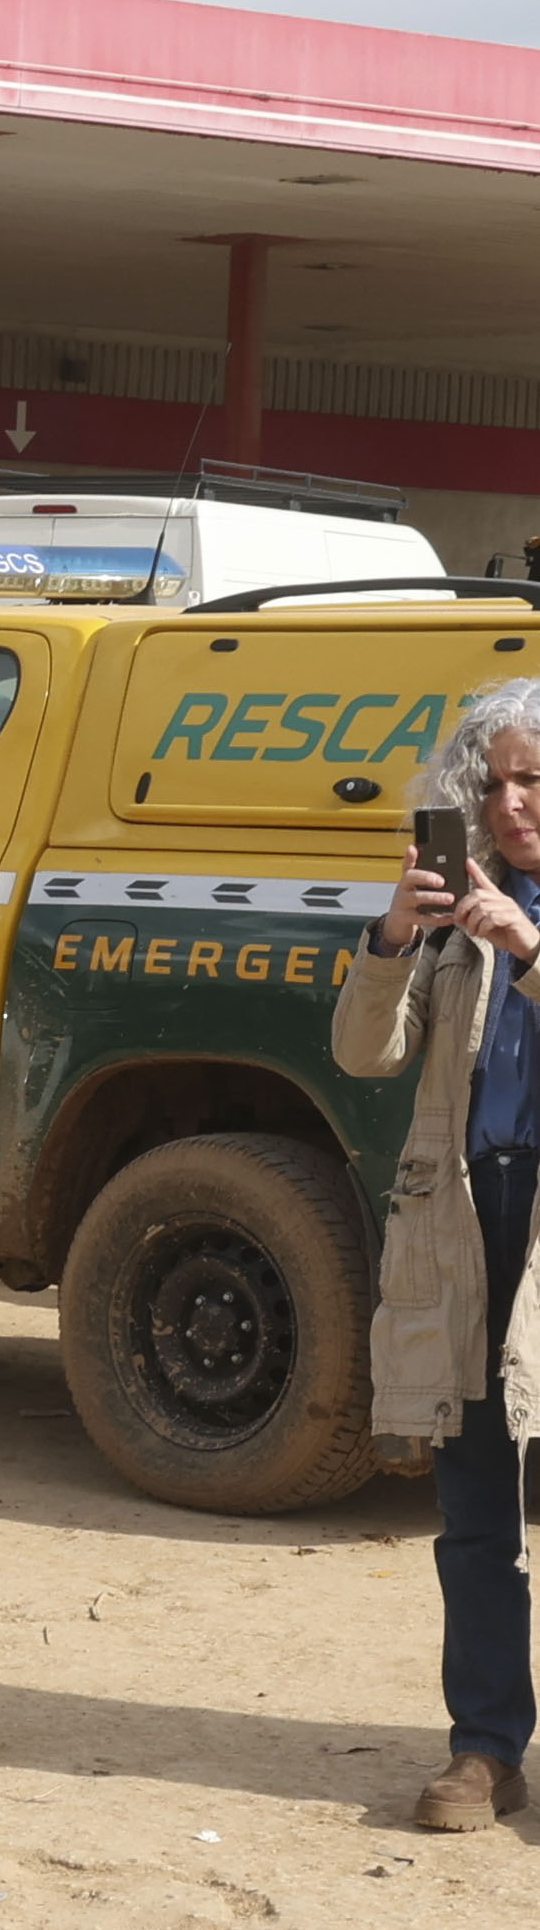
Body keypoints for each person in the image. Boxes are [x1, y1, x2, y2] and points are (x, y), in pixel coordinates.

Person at [334, 679, 540, 1834]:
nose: (508, 806)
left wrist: (531, 948)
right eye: (491, 783)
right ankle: (484, 1748)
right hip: (467, 1220)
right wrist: (391, 935)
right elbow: (366, 1052)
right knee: (472, 1513)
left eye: (531, 780)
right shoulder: (459, 908)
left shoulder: (513, 922)